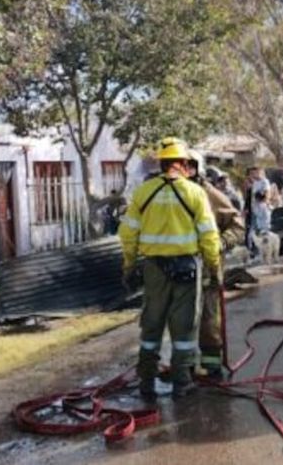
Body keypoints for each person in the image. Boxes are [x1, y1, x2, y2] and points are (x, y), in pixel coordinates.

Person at [118, 137, 221, 400]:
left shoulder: (143, 192)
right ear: (184, 163)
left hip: (153, 269)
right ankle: (182, 382)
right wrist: (214, 267)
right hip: (187, 269)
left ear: (161, 163)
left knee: (151, 325)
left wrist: (128, 265)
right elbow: (209, 236)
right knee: (184, 328)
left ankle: (146, 381)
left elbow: (128, 234)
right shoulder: (194, 192)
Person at [185, 151, 244, 380]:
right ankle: (185, 366)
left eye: (188, 165)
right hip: (176, 271)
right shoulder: (168, 194)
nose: (182, 170)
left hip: (207, 271)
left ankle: (212, 365)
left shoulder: (210, 195)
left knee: (208, 320)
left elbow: (237, 226)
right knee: (181, 322)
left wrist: (220, 243)